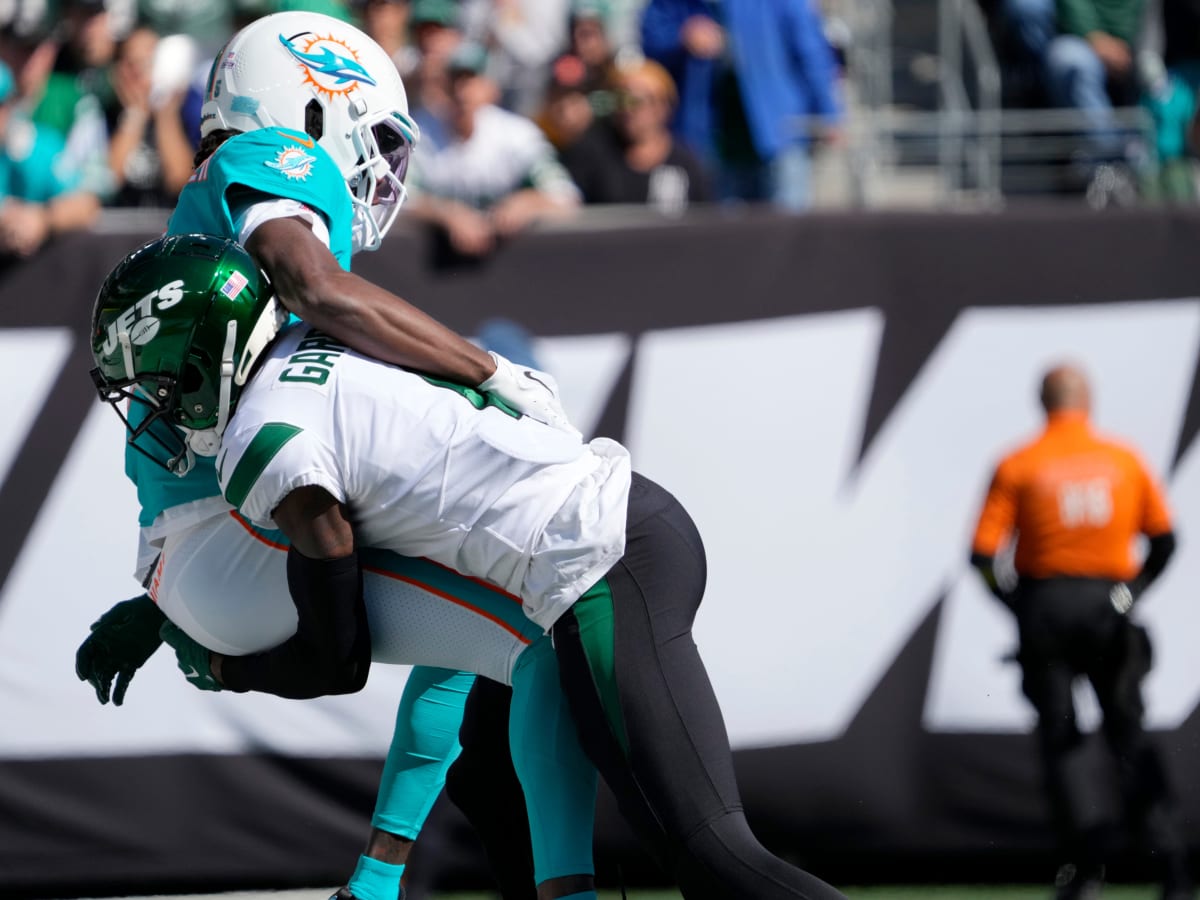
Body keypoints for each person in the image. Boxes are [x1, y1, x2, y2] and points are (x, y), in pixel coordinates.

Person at [90, 234, 851, 900]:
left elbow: (338, 653)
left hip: (599, 568)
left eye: (156, 381)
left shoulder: (264, 441)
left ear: (203, 356)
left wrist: (224, 666)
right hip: (618, 537)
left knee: (713, 855)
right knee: (491, 784)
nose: (154, 405)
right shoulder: (319, 340)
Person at [81, 10, 577, 900]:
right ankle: (523, 890)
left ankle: (385, 881)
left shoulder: (213, 207)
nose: (381, 165)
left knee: (491, 647)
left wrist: (161, 611)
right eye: (376, 135)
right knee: (544, 613)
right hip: (235, 541)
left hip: (209, 545)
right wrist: (493, 372)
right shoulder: (273, 164)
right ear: (311, 107)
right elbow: (315, 284)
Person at [970, 364, 1191, 900]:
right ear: (1087, 401)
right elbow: (1164, 543)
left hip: (1045, 606)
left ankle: (1084, 871)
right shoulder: (1122, 459)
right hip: (1107, 608)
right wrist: (1128, 595)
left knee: (1062, 739)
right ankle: (1173, 868)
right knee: (1127, 734)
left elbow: (980, 555)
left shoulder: (1019, 463)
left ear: (1042, 402)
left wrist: (1015, 604)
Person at [640, 0, 841, 211]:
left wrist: (829, 112)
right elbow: (650, 43)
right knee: (724, 235)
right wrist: (681, 37)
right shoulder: (672, 5)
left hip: (778, 134)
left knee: (785, 228)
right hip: (708, 141)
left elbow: (811, 51)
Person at [404, 41, 581, 258]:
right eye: (455, 81)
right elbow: (396, 199)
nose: (462, 91)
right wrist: (446, 213)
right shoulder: (418, 133)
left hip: (512, 267)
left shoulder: (517, 134)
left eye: (471, 81)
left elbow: (565, 194)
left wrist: (526, 203)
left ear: (491, 88)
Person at [561, 56, 711, 213]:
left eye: (637, 101)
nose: (628, 110)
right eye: (621, 100)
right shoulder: (590, 154)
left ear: (663, 107)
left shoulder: (686, 164)